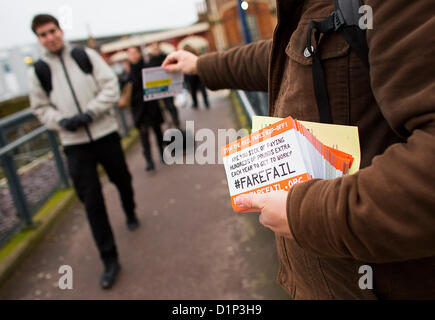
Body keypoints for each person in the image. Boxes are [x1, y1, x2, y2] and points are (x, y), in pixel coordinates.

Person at [163, 0, 435, 299]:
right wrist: (200, 65)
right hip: (325, 281)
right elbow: (282, 57)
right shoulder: (310, 6)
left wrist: (302, 214)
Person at [28, 14, 139, 290]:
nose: (50, 37)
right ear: (38, 39)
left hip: (104, 133)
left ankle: (130, 209)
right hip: (74, 144)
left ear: (60, 30)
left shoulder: (84, 55)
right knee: (91, 202)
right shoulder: (39, 71)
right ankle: (109, 259)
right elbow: (40, 108)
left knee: (122, 178)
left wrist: (90, 113)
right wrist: (61, 121)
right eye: (43, 34)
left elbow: (110, 87)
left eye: (52, 31)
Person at [127, 46, 165, 171]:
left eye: (134, 53)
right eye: (130, 53)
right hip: (139, 110)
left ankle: (162, 154)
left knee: (158, 131)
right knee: (144, 136)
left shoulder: (148, 69)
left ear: (139, 54)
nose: (132, 56)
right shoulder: (127, 74)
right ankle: (149, 160)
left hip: (151, 107)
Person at [148, 42, 180, 127]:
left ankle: (175, 119)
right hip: (159, 87)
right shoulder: (151, 61)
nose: (156, 50)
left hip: (169, 85)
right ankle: (170, 120)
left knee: (171, 104)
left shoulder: (166, 57)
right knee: (165, 105)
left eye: (157, 48)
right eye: (154, 49)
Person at [183, 45, 210, 110]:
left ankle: (195, 104)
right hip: (198, 73)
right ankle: (206, 102)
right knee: (202, 89)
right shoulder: (196, 54)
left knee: (193, 90)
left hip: (190, 74)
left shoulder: (185, 56)